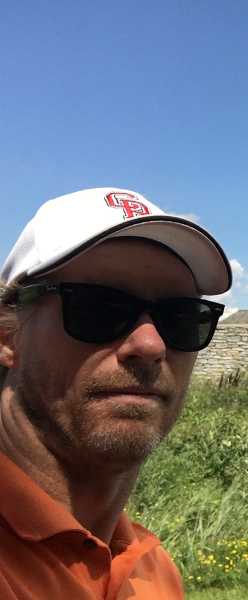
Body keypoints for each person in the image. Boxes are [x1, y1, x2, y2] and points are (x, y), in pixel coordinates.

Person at [0, 188, 231, 599]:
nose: (151, 345)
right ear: (7, 333)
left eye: (180, 317)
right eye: (98, 307)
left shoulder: (153, 571)